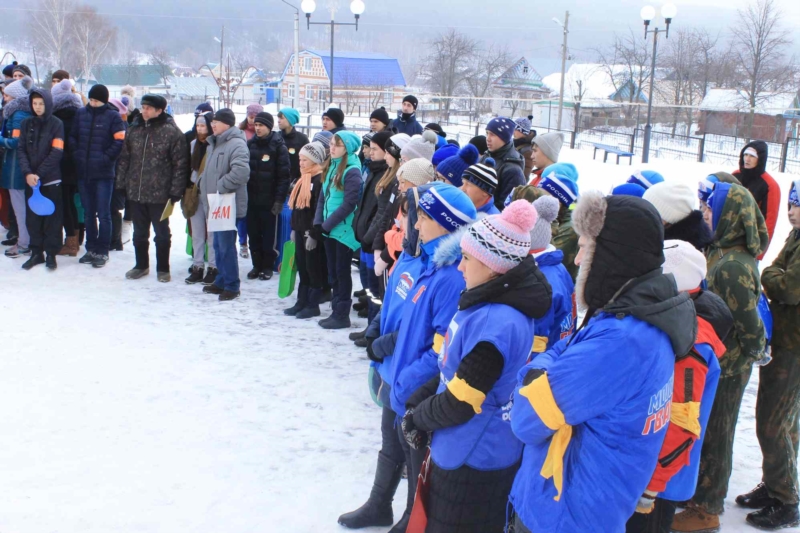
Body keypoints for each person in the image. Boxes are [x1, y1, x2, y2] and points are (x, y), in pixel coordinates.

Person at [510, 190, 697, 533]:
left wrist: (535, 371)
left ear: (612, 257)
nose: (578, 259)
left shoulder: (619, 343)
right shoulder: (638, 318)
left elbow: (525, 419)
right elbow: (567, 348)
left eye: (584, 247)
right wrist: (558, 362)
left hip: (562, 514)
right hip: (590, 506)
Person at [400, 200, 551, 533]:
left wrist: (418, 418)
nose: (460, 268)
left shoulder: (495, 323)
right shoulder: (487, 304)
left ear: (493, 265)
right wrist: (419, 399)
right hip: (464, 446)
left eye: (467, 259)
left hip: (475, 456)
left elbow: (462, 400)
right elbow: (451, 372)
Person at [355, 183, 478, 533]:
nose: (415, 224)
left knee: (415, 456)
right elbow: (403, 311)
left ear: (443, 222)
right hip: (398, 375)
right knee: (390, 444)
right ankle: (380, 504)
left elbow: (442, 346)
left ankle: (411, 519)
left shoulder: (452, 274)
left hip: (414, 385)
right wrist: (379, 337)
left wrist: (409, 381)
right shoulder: (425, 258)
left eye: (421, 216)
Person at [672, 182, 769, 532]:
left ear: (731, 215)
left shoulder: (732, 265)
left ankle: (708, 507)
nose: (706, 213)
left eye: (712, 208)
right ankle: (699, 492)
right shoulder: (722, 252)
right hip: (719, 358)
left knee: (717, 432)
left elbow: (749, 322)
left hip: (729, 365)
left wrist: (756, 351)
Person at [626, 239, 732, 533]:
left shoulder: (691, 341)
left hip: (660, 479)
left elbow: (681, 421)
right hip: (655, 468)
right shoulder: (684, 320)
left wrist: (653, 485)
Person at [739, 180, 800, 530]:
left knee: (773, 422)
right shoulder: (796, 235)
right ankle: (777, 485)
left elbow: (787, 286)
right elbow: (775, 270)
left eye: (795, 205)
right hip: (786, 339)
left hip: (794, 346)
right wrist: (774, 275)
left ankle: (786, 501)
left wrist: (773, 277)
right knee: (784, 421)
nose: (789, 211)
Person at [116, 94, 188, 282]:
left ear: (159, 110)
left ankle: (163, 268)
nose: (144, 110)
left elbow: (180, 164)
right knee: (139, 233)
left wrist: (175, 191)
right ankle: (141, 265)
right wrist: (121, 183)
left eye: (148, 108)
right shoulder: (134, 129)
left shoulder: (171, 132)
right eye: (143, 107)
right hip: (136, 191)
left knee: (162, 233)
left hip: (160, 194)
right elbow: (124, 159)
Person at [71, 83, 126, 268]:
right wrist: (77, 154)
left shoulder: (113, 116)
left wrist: (105, 158)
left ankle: (103, 250)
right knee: (88, 214)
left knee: (103, 214)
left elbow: (119, 142)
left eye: (97, 101)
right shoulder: (81, 114)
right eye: (92, 100)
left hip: (103, 173)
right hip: (84, 172)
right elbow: (73, 136)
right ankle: (91, 248)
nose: (93, 103)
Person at [199, 108, 250, 301]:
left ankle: (231, 285)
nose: (212, 125)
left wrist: (220, 186)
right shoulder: (215, 143)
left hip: (227, 203)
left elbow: (241, 172)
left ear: (227, 124)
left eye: (216, 122)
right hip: (216, 202)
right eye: (212, 122)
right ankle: (221, 280)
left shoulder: (236, 143)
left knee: (226, 245)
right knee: (218, 246)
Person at [313, 130, 362, 329]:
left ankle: (342, 314)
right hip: (330, 230)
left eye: (337, 145)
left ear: (347, 149)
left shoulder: (352, 171)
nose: (331, 148)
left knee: (341, 273)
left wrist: (326, 226)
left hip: (342, 231)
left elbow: (349, 204)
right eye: (331, 144)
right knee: (333, 272)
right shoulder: (332, 167)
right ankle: (336, 311)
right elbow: (323, 198)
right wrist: (318, 224)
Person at [18, 87, 64, 270]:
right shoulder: (25, 123)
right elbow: (21, 149)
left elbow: (57, 152)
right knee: (33, 218)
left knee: (52, 218)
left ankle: (51, 253)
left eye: (41, 104)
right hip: (31, 180)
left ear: (48, 104)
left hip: (50, 179)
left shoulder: (56, 124)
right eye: (34, 103)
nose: (37, 107)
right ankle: (36, 252)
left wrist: (39, 173)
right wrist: (28, 173)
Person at [245, 111, 290, 281]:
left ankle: (267, 266)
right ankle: (256, 265)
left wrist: (279, 200)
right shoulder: (250, 145)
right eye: (256, 125)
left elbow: (284, 176)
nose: (257, 128)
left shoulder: (278, 146)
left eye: (261, 125)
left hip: (269, 200)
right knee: (253, 235)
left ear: (269, 127)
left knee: (269, 236)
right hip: (252, 200)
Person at [351, 130, 389, 330]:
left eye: (375, 149)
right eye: (369, 148)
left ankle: (373, 329)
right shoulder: (372, 170)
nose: (370, 152)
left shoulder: (386, 175)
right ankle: (369, 327)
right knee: (368, 287)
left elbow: (381, 213)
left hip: (372, 241)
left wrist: (368, 236)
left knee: (375, 291)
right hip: (365, 238)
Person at [284, 142, 327, 319]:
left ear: (315, 161)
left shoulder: (319, 180)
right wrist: (294, 229)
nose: (300, 163)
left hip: (310, 233)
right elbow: (297, 208)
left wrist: (314, 234)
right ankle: (301, 301)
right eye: (300, 160)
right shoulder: (302, 179)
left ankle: (313, 303)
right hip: (300, 231)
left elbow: (319, 210)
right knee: (302, 266)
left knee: (313, 268)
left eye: (305, 160)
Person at [528, 195, 575, 354]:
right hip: (557, 348)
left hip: (541, 361)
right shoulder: (557, 266)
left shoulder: (538, 283)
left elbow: (534, 346)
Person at [184, 111, 218, 286]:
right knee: (196, 232)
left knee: (212, 232)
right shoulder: (192, 144)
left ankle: (212, 266)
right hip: (194, 191)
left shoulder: (215, 145)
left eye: (203, 125)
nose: (199, 128)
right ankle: (197, 265)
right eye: (197, 125)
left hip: (211, 192)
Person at [1, 75, 33, 258]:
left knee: (19, 205)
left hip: (15, 167)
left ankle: (23, 243)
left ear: (14, 98)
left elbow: (14, 142)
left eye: (6, 96)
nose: (4, 98)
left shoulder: (18, 114)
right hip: (19, 165)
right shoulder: (23, 112)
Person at [50, 79, 82, 257]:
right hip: (76, 166)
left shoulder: (57, 118)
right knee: (72, 203)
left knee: (65, 204)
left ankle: (70, 241)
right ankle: (74, 241)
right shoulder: (79, 114)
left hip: (61, 166)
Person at [733, 141, 781, 257]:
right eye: (745, 155)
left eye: (752, 156)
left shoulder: (770, 185)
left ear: (761, 159)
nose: (747, 159)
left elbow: (769, 221)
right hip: (729, 237)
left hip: (750, 243)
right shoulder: (735, 176)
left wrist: (759, 252)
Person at [538, 162, 580, 282]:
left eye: (541, 196)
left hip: (555, 285)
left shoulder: (571, 229)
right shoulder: (557, 216)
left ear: (557, 201)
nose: (537, 200)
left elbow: (546, 257)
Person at [643, 181, 714, 251]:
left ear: (667, 218)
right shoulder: (657, 243)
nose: (643, 218)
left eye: (648, 213)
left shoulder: (679, 256)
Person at [484, 117, 526, 211]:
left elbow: (506, 208)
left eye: (492, 134)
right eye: (487, 133)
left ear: (504, 137)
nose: (488, 139)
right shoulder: (487, 155)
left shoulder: (513, 170)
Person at [108, 97, 130, 252]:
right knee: (111, 208)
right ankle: (114, 239)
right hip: (114, 172)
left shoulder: (121, 127)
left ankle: (115, 239)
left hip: (117, 173)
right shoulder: (119, 124)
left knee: (112, 208)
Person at [277, 107, 309, 184]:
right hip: (277, 183)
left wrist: (298, 180)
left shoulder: (302, 139)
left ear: (290, 120)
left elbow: (308, 161)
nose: (278, 121)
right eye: (278, 118)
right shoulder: (276, 137)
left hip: (295, 183)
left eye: (282, 118)